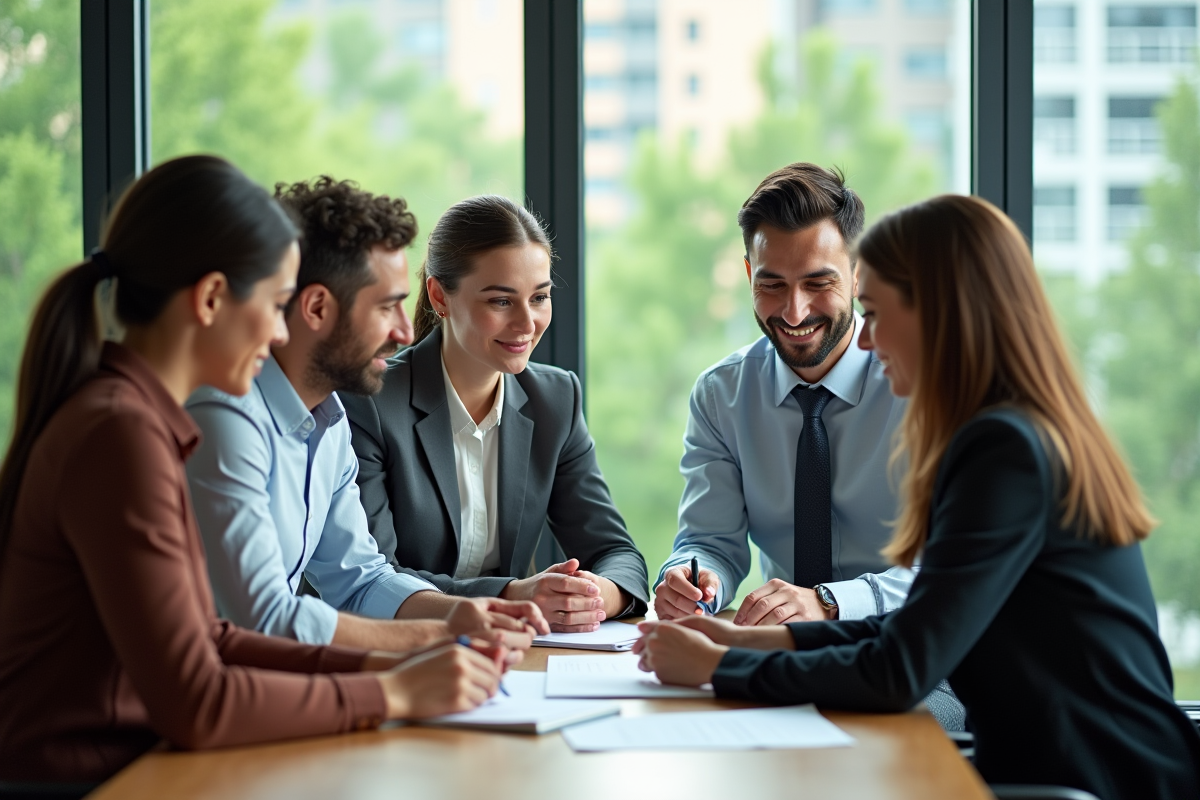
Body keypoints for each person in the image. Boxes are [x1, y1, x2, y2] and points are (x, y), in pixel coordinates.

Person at [634, 194, 1200, 799]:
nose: (869, 343)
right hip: (1050, 770)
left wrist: (719, 668)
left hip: (1101, 784)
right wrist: (739, 638)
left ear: (938, 312)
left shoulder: (1003, 450)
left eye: (874, 313)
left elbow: (900, 667)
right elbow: (911, 629)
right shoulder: (1006, 430)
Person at [0, 156, 506, 785]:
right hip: (91, 779)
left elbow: (211, 636)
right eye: (273, 305)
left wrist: (389, 670)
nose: (275, 334)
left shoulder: (136, 419)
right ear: (212, 299)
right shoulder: (120, 432)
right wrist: (393, 693)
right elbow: (199, 700)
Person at [650, 163, 961, 727]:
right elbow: (708, 539)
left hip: (922, 664)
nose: (794, 313)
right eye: (772, 284)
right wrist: (694, 580)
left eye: (819, 283)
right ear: (748, 274)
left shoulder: (920, 388)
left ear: (859, 274)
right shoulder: (722, 395)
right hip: (783, 656)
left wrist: (830, 602)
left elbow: (950, 571)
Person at [185, 177, 547, 653]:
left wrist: (477, 614)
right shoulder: (225, 418)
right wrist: (439, 634)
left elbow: (360, 581)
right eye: (387, 307)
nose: (404, 331)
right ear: (316, 308)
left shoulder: (328, 421)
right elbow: (263, 618)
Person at [342, 195, 649, 632]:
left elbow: (617, 553)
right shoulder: (370, 401)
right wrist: (510, 594)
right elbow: (371, 580)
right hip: (397, 648)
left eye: (539, 297)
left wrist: (589, 595)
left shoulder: (555, 399)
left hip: (508, 656)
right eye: (501, 301)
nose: (527, 322)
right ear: (439, 295)